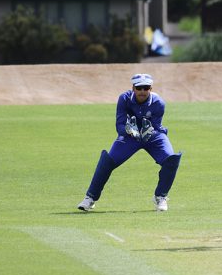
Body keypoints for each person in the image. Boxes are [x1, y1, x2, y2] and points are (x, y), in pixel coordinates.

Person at [77, 73, 182, 212]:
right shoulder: (124, 99)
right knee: (108, 161)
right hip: (130, 136)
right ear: (133, 88)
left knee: (171, 160)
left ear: (151, 88)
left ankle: (160, 197)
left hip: (152, 135)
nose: (142, 91)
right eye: (139, 88)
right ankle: (90, 198)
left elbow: (156, 126)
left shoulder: (158, 103)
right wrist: (128, 130)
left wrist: (147, 132)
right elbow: (119, 124)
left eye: (146, 88)